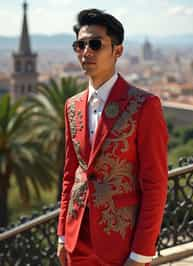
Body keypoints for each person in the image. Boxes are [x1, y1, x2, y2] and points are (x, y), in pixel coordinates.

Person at [57, 8, 168, 266]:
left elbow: (155, 184)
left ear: (117, 51)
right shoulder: (72, 106)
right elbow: (70, 175)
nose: (86, 52)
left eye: (95, 44)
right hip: (77, 244)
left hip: (122, 244)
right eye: (80, 45)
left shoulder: (144, 105)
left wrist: (141, 253)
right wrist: (63, 235)